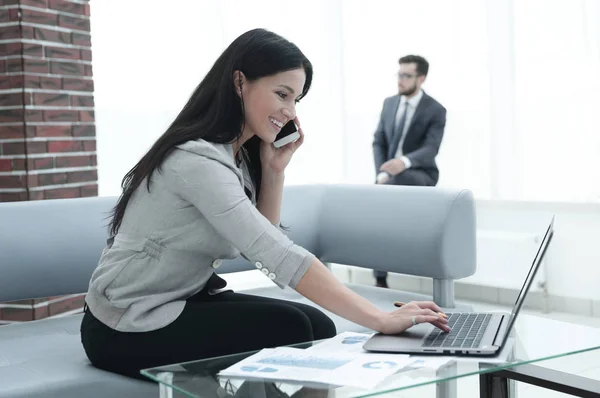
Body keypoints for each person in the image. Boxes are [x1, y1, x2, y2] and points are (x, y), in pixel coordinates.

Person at [80, 29, 450, 381]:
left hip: (182, 301)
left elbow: (260, 238)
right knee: (292, 329)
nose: (290, 111)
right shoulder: (196, 160)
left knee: (316, 325)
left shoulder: (235, 158)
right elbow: (275, 253)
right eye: (282, 94)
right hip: (125, 323)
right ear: (240, 82)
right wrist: (379, 318)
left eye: (296, 99)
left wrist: (273, 171)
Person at [372, 55, 447, 288]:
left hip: (419, 174)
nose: (400, 80)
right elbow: (378, 141)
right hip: (389, 177)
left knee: (391, 190)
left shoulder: (435, 110)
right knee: (375, 211)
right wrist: (381, 173)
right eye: (399, 75)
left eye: (406, 76)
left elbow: (431, 149)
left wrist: (403, 162)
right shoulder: (389, 103)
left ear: (421, 78)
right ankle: (380, 279)